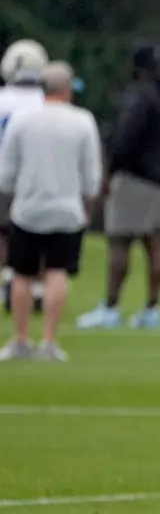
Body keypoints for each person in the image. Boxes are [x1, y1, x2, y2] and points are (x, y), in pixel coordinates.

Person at [76, 43, 160, 330]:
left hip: (138, 176)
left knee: (120, 241)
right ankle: (152, 309)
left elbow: (126, 139)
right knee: (156, 243)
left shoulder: (141, 97)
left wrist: (111, 172)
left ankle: (111, 307)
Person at [0, 61, 101, 361]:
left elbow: (6, 173)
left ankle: (19, 339)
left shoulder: (22, 121)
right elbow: (91, 176)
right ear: (66, 89)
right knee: (57, 271)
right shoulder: (82, 121)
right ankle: (48, 340)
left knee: (22, 273)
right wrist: (87, 204)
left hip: (27, 208)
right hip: (66, 208)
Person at [0, 39, 49, 312]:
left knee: (4, 232)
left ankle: (9, 277)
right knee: (38, 235)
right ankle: (38, 288)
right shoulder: (44, 103)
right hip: (34, 178)